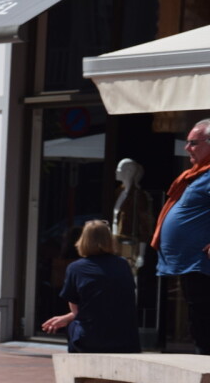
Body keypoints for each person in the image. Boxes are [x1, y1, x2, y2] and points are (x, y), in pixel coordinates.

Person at [152, 118, 210, 354]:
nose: (187, 148)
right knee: (198, 320)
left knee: (203, 321)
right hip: (191, 264)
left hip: (202, 264)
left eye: (193, 143)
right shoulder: (197, 175)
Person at [41, 220, 140, 353]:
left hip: (92, 339)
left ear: (83, 240)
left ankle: (76, 369)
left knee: (72, 327)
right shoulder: (123, 264)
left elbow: (77, 310)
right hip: (126, 339)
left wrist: (66, 318)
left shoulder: (76, 268)